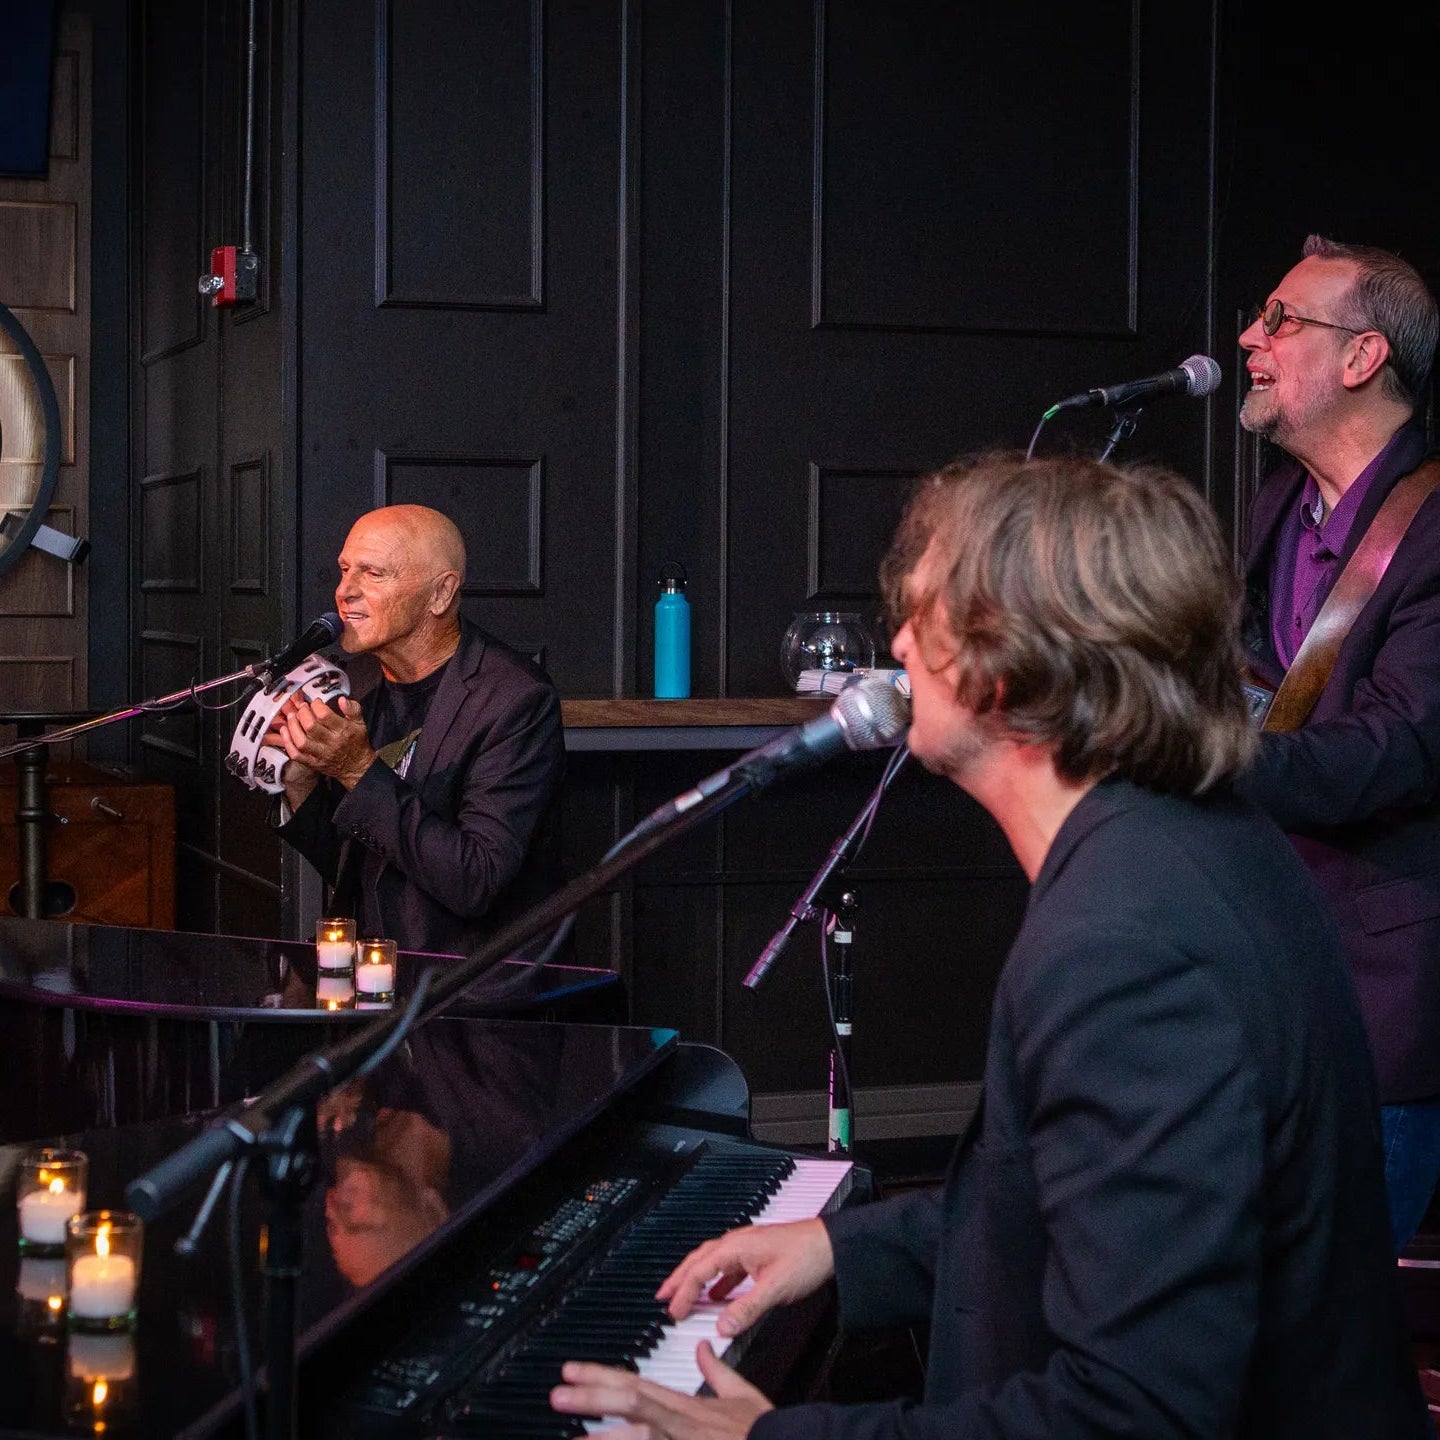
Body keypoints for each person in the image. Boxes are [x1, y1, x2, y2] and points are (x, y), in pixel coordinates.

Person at [549, 454, 1425, 1439]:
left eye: (921, 619)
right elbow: (1087, 1216)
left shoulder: (1131, 942)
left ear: (1004, 669)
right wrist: (846, 1249)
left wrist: (769, 1438)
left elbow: (1133, 1417)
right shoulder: (1187, 841)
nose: (898, 650)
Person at [1236, 235, 1440, 1252]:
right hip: (1260, 993)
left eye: (1280, 320)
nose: (1248, 338)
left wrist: (1202, 756)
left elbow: (1401, 744)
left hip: (1379, 1016)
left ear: (1361, 359)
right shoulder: (1279, 506)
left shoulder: (1437, 526)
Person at [270, 503, 567, 975]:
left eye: (373, 573)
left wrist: (355, 770)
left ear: (441, 593)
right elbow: (355, 863)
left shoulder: (515, 701)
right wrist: (301, 776)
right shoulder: (357, 680)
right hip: (370, 981)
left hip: (464, 995)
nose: (345, 592)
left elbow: (475, 880)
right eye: (345, 570)